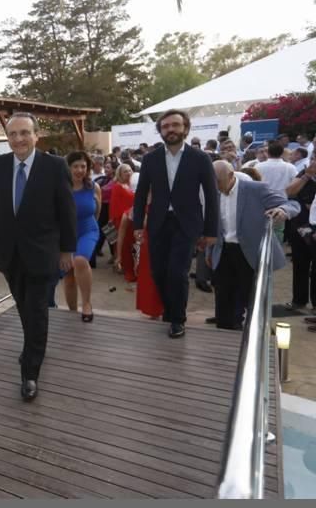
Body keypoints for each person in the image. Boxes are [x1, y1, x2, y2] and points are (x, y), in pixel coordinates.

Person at [0, 112, 76, 401]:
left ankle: (30, 372)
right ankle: (33, 346)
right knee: (23, 306)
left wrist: (67, 250)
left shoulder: (54, 166)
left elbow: (66, 211)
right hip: (9, 255)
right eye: (12, 134)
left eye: (24, 133)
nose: (18, 139)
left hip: (44, 254)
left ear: (36, 135)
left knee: (37, 310)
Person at [133, 109, 219, 339]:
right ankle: (169, 311)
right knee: (158, 272)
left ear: (185, 128)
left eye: (175, 125)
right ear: (160, 131)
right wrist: (137, 225)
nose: (170, 129)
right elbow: (141, 194)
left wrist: (211, 230)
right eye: (166, 126)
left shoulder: (200, 158)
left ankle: (177, 319)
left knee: (177, 272)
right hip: (158, 222)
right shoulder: (150, 159)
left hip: (187, 224)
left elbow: (212, 196)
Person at [207, 161, 300, 329]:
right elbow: (212, 225)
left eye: (219, 182)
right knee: (222, 293)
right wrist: (209, 251)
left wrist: (282, 211)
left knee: (246, 294)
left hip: (249, 252)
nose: (216, 186)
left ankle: (242, 329)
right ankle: (224, 326)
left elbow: (292, 204)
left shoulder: (256, 189)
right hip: (223, 250)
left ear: (231, 175)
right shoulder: (213, 192)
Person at [62, 152, 101, 322]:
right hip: (66, 235)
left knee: (80, 261)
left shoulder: (93, 187)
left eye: (83, 166)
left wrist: (93, 227)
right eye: (76, 166)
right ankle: (72, 311)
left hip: (88, 231)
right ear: (68, 168)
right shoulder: (60, 188)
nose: (80, 170)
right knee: (69, 275)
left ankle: (86, 303)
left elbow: (97, 211)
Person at [285, 157, 316, 311]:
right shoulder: (305, 174)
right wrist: (307, 176)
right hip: (300, 226)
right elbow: (289, 192)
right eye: (313, 158)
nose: (313, 162)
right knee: (300, 263)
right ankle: (299, 300)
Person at [110, 163, 136, 281]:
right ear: (119, 174)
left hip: (132, 219)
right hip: (122, 221)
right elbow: (115, 207)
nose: (128, 173)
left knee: (132, 246)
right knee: (124, 247)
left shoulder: (131, 185)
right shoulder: (117, 186)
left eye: (130, 170)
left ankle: (131, 268)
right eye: (125, 171)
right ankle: (128, 271)